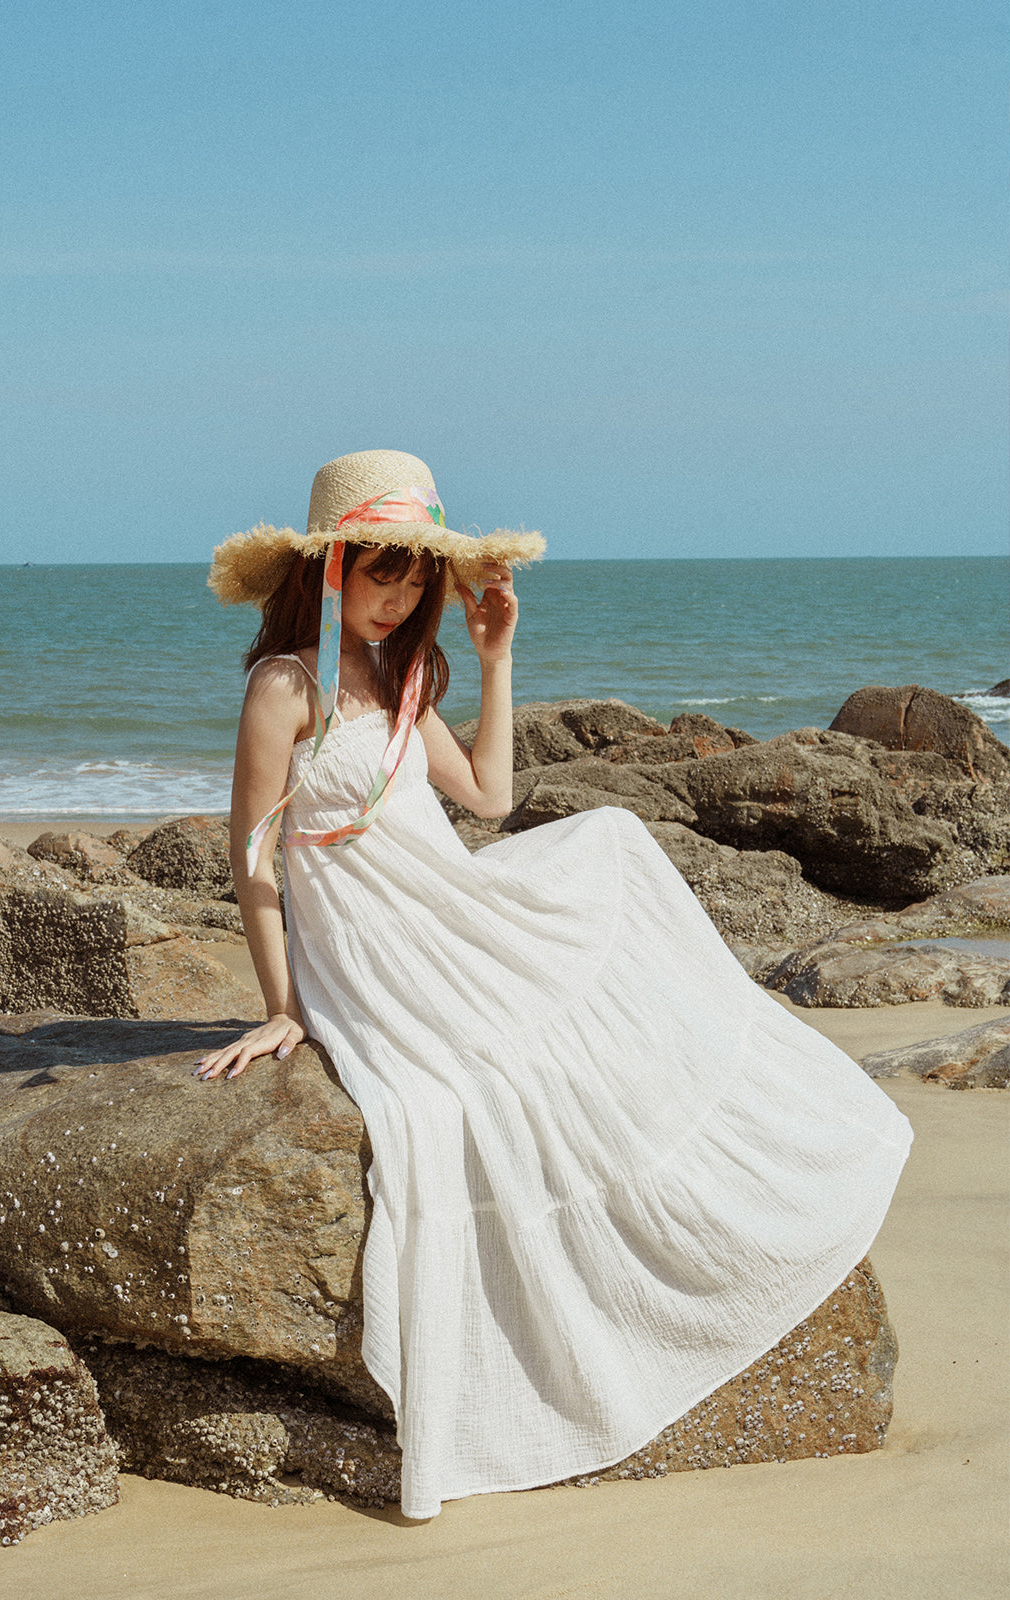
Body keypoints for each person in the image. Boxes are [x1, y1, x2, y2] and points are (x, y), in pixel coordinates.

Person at [195, 448, 913, 1521]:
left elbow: (488, 798)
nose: (395, 598)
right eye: (379, 573)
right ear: (330, 568)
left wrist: (494, 656)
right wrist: (285, 1009)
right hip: (383, 958)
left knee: (615, 845)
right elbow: (254, 857)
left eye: (412, 579)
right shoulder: (284, 687)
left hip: (454, 911)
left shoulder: (396, 683)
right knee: (463, 1097)